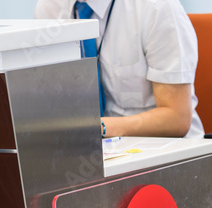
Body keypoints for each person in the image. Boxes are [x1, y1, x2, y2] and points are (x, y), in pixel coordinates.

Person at [33, 0, 203, 139]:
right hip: (86, 151)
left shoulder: (157, 7)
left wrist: (97, 128)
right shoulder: (49, 8)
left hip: (162, 150)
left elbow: (176, 118)